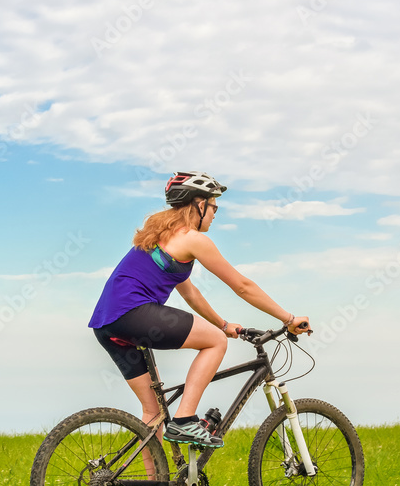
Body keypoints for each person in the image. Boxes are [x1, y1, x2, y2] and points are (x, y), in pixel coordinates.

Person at [89, 171, 311, 454]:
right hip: (134, 313)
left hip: (107, 324)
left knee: (153, 412)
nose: (216, 214)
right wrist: (289, 319)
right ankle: (184, 419)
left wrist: (223, 323)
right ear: (198, 204)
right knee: (215, 343)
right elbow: (242, 286)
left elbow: (190, 293)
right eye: (214, 206)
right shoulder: (192, 239)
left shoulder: (163, 238)